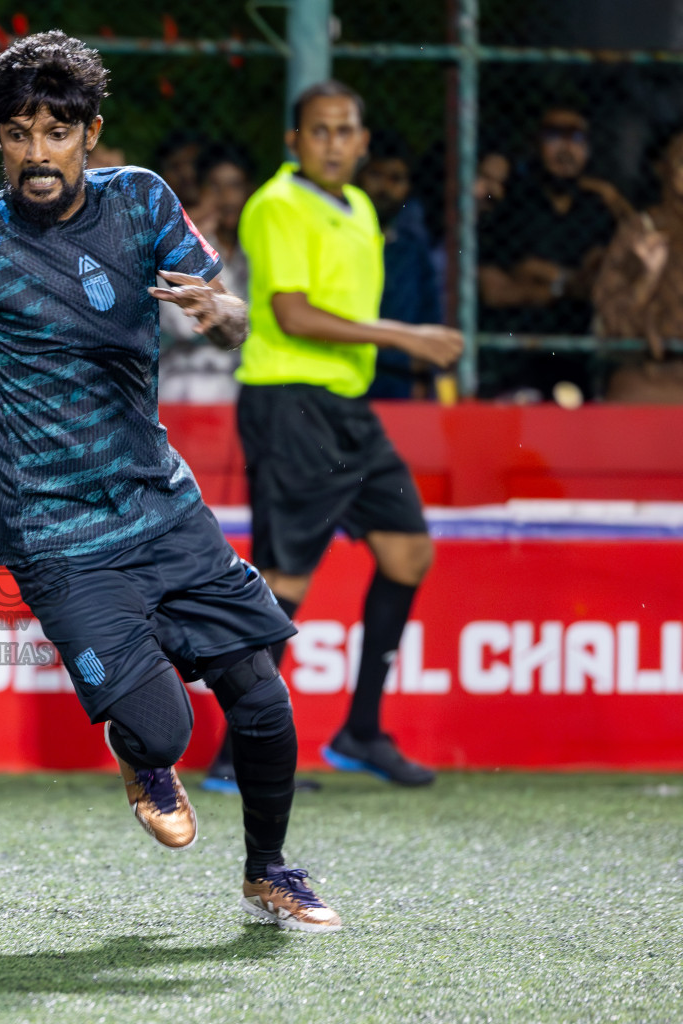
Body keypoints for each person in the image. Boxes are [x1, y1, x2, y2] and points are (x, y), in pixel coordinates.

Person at [0, 31, 341, 933]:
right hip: (54, 533)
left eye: (58, 132)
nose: (39, 152)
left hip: (161, 505)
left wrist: (221, 314)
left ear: (90, 134)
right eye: (21, 133)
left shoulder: (141, 201)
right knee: (166, 730)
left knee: (262, 697)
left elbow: (229, 320)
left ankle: (270, 872)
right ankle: (142, 754)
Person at [234, 80, 462, 787]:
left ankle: (361, 732)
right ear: (294, 140)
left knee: (408, 553)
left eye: (345, 131)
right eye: (319, 130)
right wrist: (406, 337)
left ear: (362, 142)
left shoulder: (360, 205)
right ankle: (239, 754)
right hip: (289, 400)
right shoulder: (277, 204)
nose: (333, 143)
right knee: (285, 579)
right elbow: (293, 314)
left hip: (347, 407)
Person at [477, 105, 619, 398]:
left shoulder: (598, 209)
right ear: (536, 144)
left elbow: (606, 279)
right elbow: (495, 291)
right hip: (516, 355)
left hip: (582, 356)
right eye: (554, 136)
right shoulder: (512, 206)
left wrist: (541, 276)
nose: (565, 149)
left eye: (576, 138)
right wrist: (567, 285)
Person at [159, 142, 253, 404]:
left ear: (249, 190)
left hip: (243, 387)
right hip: (184, 386)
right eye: (215, 187)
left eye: (235, 185)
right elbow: (186, 326)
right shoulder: (184, 248)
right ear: (200, 191)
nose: (227, 198)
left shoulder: (255, 249)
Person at [358, 132, 442, 399]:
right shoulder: (335, 237)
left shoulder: (413, 249)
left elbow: (429, 314)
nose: (384, 187)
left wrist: (422, 376)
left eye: (396, 179)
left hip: (400, 382)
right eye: (376, 175)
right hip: (347, 371)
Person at [594, 123, 683, 362]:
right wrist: (646, 280)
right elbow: (610, 316)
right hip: (648, 370)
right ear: (664, 168)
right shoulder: (640, 230)